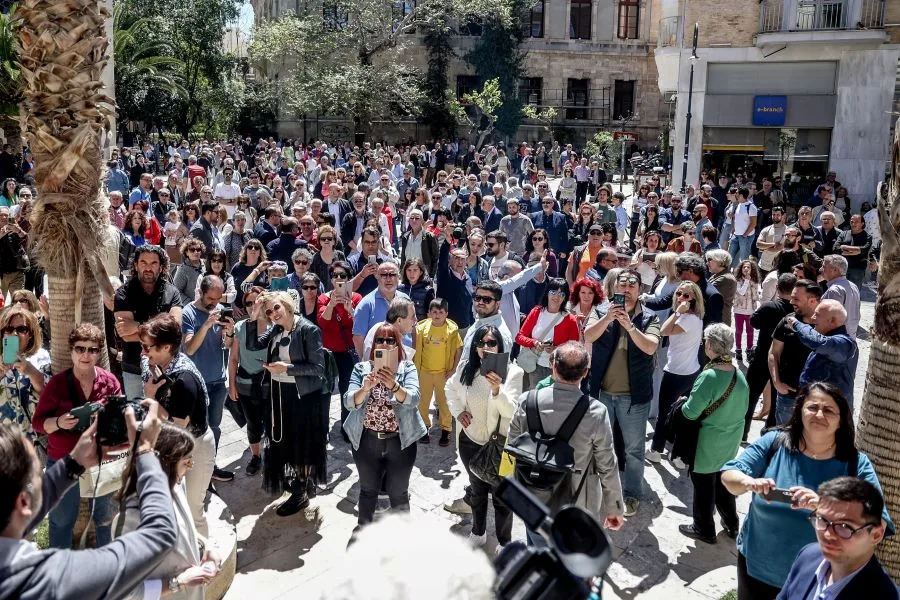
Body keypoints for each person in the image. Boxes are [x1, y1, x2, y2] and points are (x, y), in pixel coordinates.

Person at [721, 383, 894, 600]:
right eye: (812, 407)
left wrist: (823, 505)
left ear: (842, 419)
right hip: (755, 569)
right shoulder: (775, 443)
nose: (819, 415)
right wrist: (749, 482)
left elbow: (879, 522)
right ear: (799, 410)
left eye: (829, 410)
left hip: (814, 580)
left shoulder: (856, 464)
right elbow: (729, 475)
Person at [0, 400, 180, 600]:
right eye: (38, 476)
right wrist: (145, 450)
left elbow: (23, 506)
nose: (43, 480)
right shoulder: (45, 582)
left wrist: (74, 463)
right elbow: (160, 533)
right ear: (23, 503)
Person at [507, 342, 624, 540]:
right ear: (585, 372)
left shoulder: (528, 400)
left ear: (553, 367)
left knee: (536, 547)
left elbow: (512, 444)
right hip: (576, 505)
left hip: (533, 498)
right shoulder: (595, 412)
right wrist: (615, 508)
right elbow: (607, 464)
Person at [30, 324, 119, 549]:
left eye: (92, 349)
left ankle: (107, 563)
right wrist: (59, 422)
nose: (85, 355)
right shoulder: (57, 384)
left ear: (99, 352)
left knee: (106, 519)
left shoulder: (110, 382)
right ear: (71, 351)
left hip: (102, 460)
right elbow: (38, 423)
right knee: (61, 521)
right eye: (80, 349)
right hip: (65, 459)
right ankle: (59, 565)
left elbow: (121, 419)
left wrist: (106, 418)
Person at [116, 423, 225, 600]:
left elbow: (185, 530)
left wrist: (207, 546)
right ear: (166, 463)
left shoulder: (176, 486)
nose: (190, 468)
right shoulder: (132, 518)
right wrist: (178, 582)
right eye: (187, 462)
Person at [583, 269, 660, 517]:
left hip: (633, 398)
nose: (626, 289)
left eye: (632, 285)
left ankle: (632, 494)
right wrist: (608, 318)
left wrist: (630, 326)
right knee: (600, 445)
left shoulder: (649, 317)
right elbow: (588, 335)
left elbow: (650, 347)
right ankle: (599, 488)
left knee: (634, 450)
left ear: (640, 290)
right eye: (622, 284)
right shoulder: (601, 311)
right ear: (614, 288)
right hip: (603, 393)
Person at [246, 291, 326, 516]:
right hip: (279, 393)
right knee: (285, 441)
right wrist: (255, 315)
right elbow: (253, 345)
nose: (273, 314)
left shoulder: (308, 329)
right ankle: (302, 482)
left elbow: (318, 369)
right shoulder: (276, 329)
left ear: (288, 305)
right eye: (269, 311)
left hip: (302, 397)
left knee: (302, 445)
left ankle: (300, 493)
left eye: (276, 308)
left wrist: (287, 368)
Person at [139, 312, 216, 538]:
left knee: (192, 510)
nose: (144, 352)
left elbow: (177, 426)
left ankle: (204, 554)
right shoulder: (164, 365)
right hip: (177, 448)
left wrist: (151, 397)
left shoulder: (183, 378)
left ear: (165, 347)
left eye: (147, 347)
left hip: (196, 448)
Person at [445, 325, 523, 546]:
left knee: (502, 497)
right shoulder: (466, 368)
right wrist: (458, 412)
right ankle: (478, 533)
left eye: (491, 343)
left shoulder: (513, 373)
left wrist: (497, 390)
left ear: (500, 345)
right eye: (481, 343)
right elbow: (449, 388)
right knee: (477, 491)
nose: (485, 347)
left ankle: (504, 543)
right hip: (470, 441)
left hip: (501, 446)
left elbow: (512, 412)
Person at [343, 323, 424, 527]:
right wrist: (364, 389)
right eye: (380, 340)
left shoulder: (407, 368)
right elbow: (348, 402)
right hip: (367, 441)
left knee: (399, 492)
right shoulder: (361, 369)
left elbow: (414, 399)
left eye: (390, 340)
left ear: (397, 345)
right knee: (368, 490)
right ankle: (363, 533)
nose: (385, 344)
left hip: (400, 442)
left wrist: (394, 385)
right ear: (374, 345)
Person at [677, 323, 748, 544]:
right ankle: (732, 523)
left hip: (708, 443)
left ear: (709, 345)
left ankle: (704, 528)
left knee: (703, 485)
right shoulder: (738, 374)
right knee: (723, 483)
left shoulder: (709, 376)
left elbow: (690, 413)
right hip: (730, 441)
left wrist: (681, 403)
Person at [778, 477, 899, 600]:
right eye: (822, 520)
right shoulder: (807, 557)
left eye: (844, 526)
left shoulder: (886, 596)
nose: (828, 535)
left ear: (876, 535)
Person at [181, 275, 235, 483]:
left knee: (215, 428)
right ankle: (194, 472)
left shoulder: (219, 311)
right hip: (196, 382)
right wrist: (205, 325)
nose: (214, 303)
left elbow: (227, 346)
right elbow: (189, 348)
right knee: (196, 430)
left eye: (218, 298)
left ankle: (210, 467)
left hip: (218, 381)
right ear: (201, 292)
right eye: (211, 298)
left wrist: (229, 333)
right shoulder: (188, 313)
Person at [114, 245, 184, 401]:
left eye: (153, 263)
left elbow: (175, 329)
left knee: (165, 414)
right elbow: (125, 335)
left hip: (167, 367)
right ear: (135, 265)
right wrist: (162, 332)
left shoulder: (172, 292)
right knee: (137, 412)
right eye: (143, 262)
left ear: (161, 266)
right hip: (134, 368)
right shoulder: (123, 293)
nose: (148, 268)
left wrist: (137, 327)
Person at [647, 281, 705, 466]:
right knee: (685, 413)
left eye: (686, 295)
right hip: (691, 371)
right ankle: (678, 455)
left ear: (694, 298)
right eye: (679, 293)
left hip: (676, 373)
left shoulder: (687, 318)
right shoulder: (696, 317)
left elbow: (663, 331)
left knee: (664, 414)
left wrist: (677, 312)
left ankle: (656, 450)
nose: (680, 297)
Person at [743, 274, 797, 436]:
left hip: (761, 358)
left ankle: (743, 433)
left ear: (777, 288)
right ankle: (768, 435)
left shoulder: (768, 307)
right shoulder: (796, 311)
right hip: (783, 362)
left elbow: (754, 322)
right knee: (776, 401)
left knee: (750, 396)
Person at [228, 286, 268, 477]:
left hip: (269, 384)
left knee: (273, 422)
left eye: (256, 301)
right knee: (253, 423)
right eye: (249, 303)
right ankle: (256, 456)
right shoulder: (240, 327)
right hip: (246, 383)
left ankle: (274, 455)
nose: (253, 306)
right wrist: (232, 385)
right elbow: (234, 358)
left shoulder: (274, 326)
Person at [770, 279, 822, 425]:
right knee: (784, 435)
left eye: (796, 299)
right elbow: (774, 353)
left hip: (817, 399)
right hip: (788, 397)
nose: (791, 301)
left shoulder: (825, 324)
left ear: (812, 301)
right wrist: (777, 383)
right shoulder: (787, 320)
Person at [788, 300, 858, 405]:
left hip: (831, 410)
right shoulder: (827, 337)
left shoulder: (845, 344)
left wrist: (796, 324)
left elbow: (818, 342)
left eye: (817, 315)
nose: (812, 318)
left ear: (832, 320)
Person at [516, 278, 581, 390]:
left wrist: (557, 349)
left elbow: (574, 348)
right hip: (531, 364)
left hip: (556, 370)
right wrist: (535, 343)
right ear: (547, 293)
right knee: (530, 397)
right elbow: (519, 337)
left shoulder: (570, 319)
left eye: (561, 294)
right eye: (553, 292)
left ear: (565, 298)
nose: (556, 297)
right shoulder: (536, 312)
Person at [413, 298, 462, 447]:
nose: (437, 315)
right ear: (429, 314)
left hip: (443, 373)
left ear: (446, 314)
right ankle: (424, 428)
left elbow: (458, 350)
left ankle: (446, 430)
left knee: (444, 403)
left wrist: (453, 370)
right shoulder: (421, 329)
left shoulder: (452, 331)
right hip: (425, 372)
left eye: (441, 312)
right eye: (434, 312)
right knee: (423, 402)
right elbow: (415, 349)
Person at [821, 255, 860, 338]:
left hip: (835, 339)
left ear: (835, 270)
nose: (820, 269)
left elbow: (829, 319)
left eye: (824, 267)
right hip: (849, 337)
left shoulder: (834, 290)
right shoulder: (853, 286)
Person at [733, 259, 760, 362]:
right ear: (741, 269)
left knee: (750, 331)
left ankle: (749, 349)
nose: (746, 269)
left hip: (750, 310)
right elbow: (741, 292)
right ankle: (738, 349)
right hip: (739, 310)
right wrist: (747, 281)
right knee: (739, 331)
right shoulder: (737, 280)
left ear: (752, 269)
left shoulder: (755, 280)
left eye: (748, 267)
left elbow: (756, 294)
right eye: (744, 267)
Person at [834, 214, 872, 288]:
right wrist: (856, 251)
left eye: (856, 222)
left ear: (862, 223)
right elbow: (835, 249)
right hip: (842, 268)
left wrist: (844, 247)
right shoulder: (844, 234)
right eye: (852, 222)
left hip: (857, 270)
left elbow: (864, 249)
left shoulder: (867, 237)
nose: (853, 224)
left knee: (853, 291)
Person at [727, 187, 758, 265]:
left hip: (745, 237)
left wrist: (745, 234)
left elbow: (753, 223)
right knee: (729, 257)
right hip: (736, 235)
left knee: (744, 259)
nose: (735, 194)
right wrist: (733, 231)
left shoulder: (751, 206)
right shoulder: (739, 204)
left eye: (737, 193)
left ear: (741, 195)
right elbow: (737, 219)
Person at [706, 249, 737, 327]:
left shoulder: (726, 278)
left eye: (709, 260)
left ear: (720, 261)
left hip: (719, 322)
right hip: (713, 320)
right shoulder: (717, 275)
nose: (707, 263)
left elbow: (705, 293)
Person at [398, 258, 435, 322]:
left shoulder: (428, 291)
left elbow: (430, 315)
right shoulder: (399, 289)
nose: (412, 273)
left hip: (420, 326)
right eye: (409, 270)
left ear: (420, 272)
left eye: (415, 270)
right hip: (402, 326)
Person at [172, 239, 206, 305]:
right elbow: (176, 291)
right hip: (190, 306)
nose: (196, 252)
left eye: (198, 249)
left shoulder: (206, 264)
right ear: (186, 253)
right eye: (192, 250)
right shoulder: (182, 270)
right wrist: (190, 303)